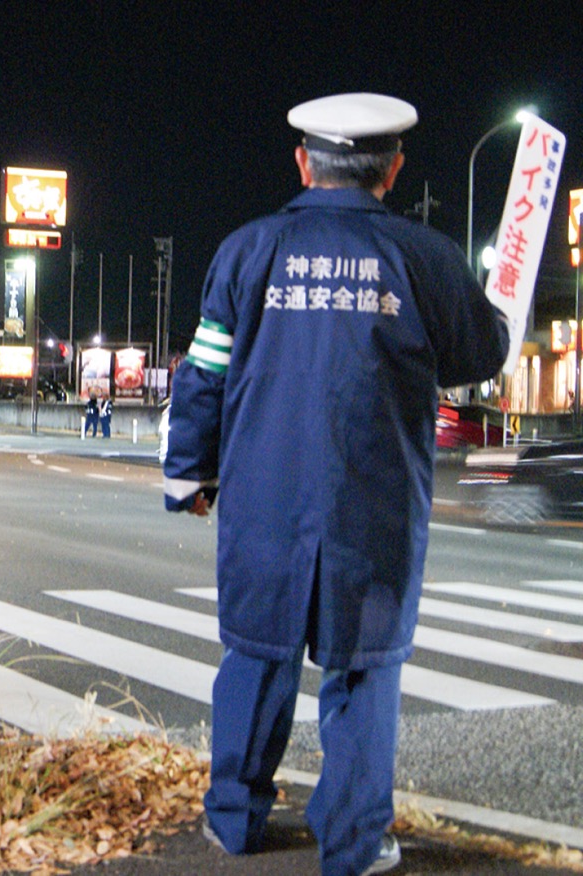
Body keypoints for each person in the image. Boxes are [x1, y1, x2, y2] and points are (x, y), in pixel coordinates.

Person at [163, 93, 508, 876]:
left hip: (263, 496)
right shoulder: (425, 258)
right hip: (376, 499)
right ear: (392, 170)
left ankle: (236, 820)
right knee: (364, 665)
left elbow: (204, 375)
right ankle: (353, 844)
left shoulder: (249, 251)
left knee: (256, 652)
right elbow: (479, 353)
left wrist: (192, 473)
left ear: (302, 162)